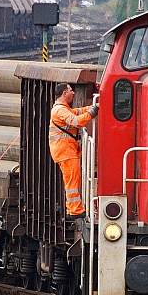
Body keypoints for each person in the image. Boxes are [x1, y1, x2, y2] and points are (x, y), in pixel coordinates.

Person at [49, 83, 99, 220]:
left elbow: (78, 111)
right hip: (65, 151)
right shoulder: (60, 110)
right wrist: (92, 112)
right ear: (64, 93)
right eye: (71, 90)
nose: (73, 93)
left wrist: (93, 108)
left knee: (72, 180)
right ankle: (75, 210)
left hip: (65, 150)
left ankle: (73, 209)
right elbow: (77, 121)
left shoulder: (62, 109)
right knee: (72, 181)